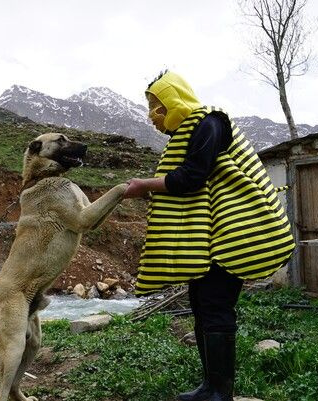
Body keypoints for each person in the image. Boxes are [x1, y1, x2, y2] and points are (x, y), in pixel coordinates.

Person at [123, 71, 295, 401]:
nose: (152, 116)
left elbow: (192, 177)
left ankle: (221, 392)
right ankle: (209, 386)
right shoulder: (191, 131)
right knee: (201, 303)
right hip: (214, 238)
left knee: (215, 305)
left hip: (236, 233)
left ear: (173, 101)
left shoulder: (210, 123)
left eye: (155, 107)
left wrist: (145, 185)